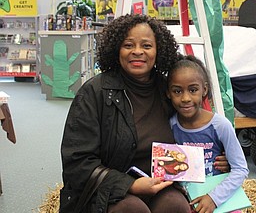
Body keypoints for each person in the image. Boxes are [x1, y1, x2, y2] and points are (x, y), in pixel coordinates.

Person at [59, 14, 229, 213]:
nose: (137, 52)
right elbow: (77, 163)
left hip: (160, 183)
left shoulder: (168, 90)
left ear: (159, 51)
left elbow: (195, 127)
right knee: (133, 209)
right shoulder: (94, 92)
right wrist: (130, 185)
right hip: (107, 190)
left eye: (147, 46)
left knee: (176, 206)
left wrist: (217, 157)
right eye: (128, 45)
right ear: (116, 49)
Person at [167, 54, 249, 213]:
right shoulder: (169, 125)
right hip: (185, 200)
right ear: (168, 93)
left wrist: (214, 198)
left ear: (204, 89)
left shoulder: (220, 126)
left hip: (218, 198)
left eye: (193, 90)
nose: (185, 98)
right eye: (177, 91)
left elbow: (240, 169)